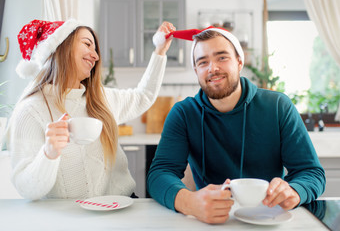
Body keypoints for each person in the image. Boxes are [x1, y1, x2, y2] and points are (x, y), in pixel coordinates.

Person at [147, 26, 326, 224]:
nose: (212, 68)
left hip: (268, 217)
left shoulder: (277, 106)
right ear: (196, 70)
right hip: (212, 221)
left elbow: (311, 173)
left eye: (222, 57)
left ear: (239, 62)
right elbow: (159, 173)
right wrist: (189, 202)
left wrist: (295, 190)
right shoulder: (183, 113)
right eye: (203, 62)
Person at [7, 19, 175, 200]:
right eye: (87, 44)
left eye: (95, 49)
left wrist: (160, 51)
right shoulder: (30, 110)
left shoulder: (100, 98)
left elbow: (144, 96)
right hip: (69, 218)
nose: (95, 56)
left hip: (123, 206)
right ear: (61, 45)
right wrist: (49, 154)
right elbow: (27, 189)